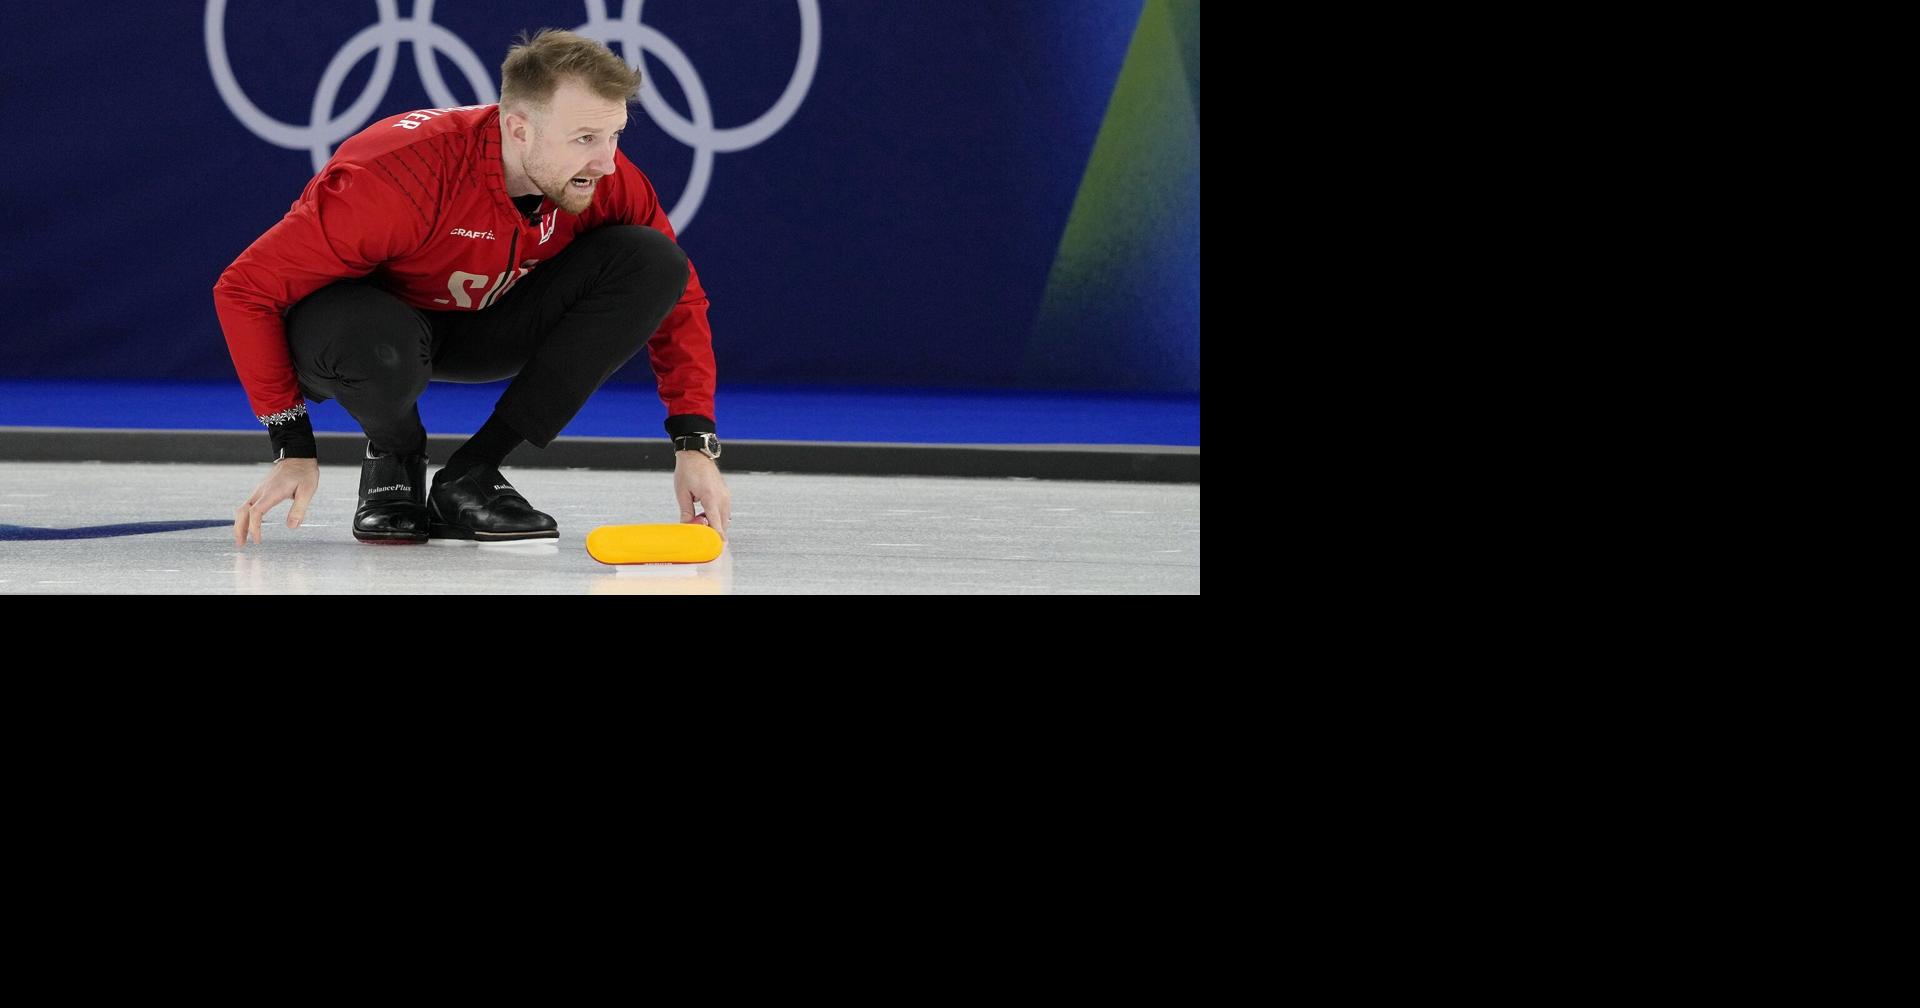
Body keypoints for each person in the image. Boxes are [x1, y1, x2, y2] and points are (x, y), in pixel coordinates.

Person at [213, 28, 730, 548]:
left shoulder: (604, 181)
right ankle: (395, 453)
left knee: (656, 260)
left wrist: (695, 442)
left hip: (483, 323)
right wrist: (292, 447)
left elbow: (679, 297)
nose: (606, 162)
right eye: (584, 139)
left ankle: (473, 472)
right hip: (364, 333)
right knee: (375, 343)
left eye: (614, 135)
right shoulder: (398, 175)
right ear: (519, 129)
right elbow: (243, 289)